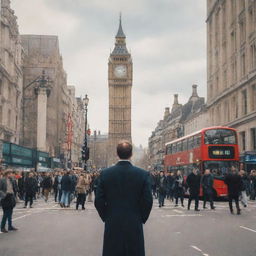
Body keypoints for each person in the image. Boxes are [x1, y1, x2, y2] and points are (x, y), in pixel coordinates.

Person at [95, 141, 153, 256]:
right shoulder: (142, 174)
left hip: (113, 221)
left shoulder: (105, 174)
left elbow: (99, 200)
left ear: (117, 154)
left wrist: (107, 216)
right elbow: (148, 200)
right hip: (134, 221)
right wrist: (141, 217)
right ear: (131, 154)